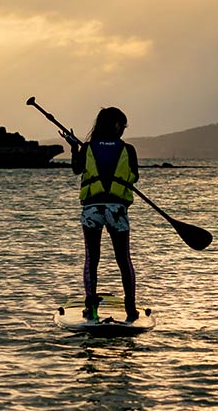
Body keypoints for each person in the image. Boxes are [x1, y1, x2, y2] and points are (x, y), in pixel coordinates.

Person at [63, 107, 140, 322]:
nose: (123, 129)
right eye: (122, 125)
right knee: (123, 259)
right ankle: (130, 310)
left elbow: (77, 170)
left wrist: (73, 148)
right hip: (116, 210)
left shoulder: (86, 148)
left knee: (92, 259)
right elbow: (134, 177)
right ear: (115, 125)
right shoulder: (129, 149)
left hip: (92, 210)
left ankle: (91, 309)